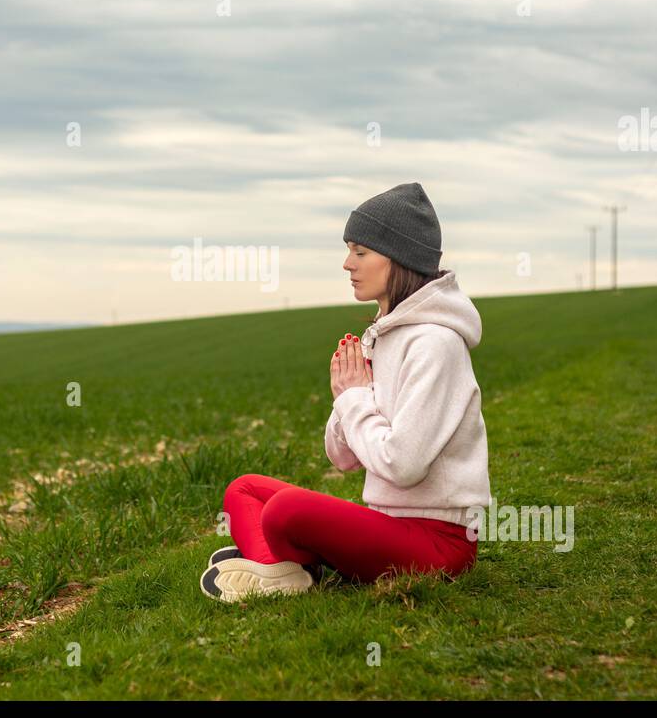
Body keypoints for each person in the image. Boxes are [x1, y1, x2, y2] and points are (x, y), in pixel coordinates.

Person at [200, 182, 492, 603]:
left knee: (287, 511)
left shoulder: (435, 345)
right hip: (387, 525)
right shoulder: (384, 336)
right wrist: (346, 398)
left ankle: (276, 564)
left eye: (360, 252)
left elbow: (403, 464)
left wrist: (355, 398)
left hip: (438, 543)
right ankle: (284, 570)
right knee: (244, 490)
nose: (347, 264)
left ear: (398, 257)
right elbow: (343, 459)